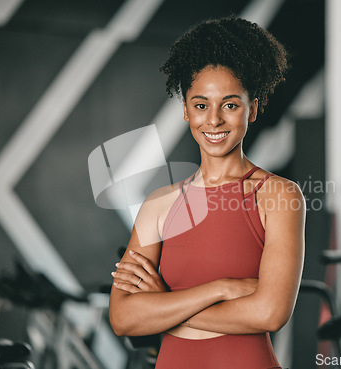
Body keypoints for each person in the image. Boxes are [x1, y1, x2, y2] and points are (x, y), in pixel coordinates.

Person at [109, 16, 306, 369]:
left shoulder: (278, 195)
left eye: (230, 105)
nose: (213, 120)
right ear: (185, 110)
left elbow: (270, 313)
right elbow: (124, 318)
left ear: (254, 108)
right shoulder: (159, 205)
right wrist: (222, 289)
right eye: (201, 105)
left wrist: (164, 305)